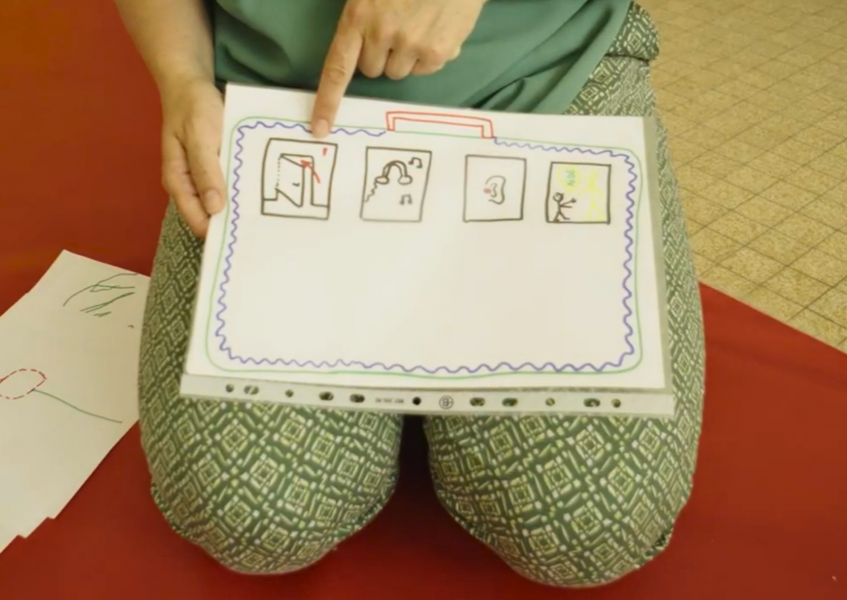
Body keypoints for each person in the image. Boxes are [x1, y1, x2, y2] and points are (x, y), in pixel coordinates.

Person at [113, 0, 705, 588]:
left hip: (547, 74)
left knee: (590, 523)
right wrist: (183, 78)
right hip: (283, 111)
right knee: (249, 508)